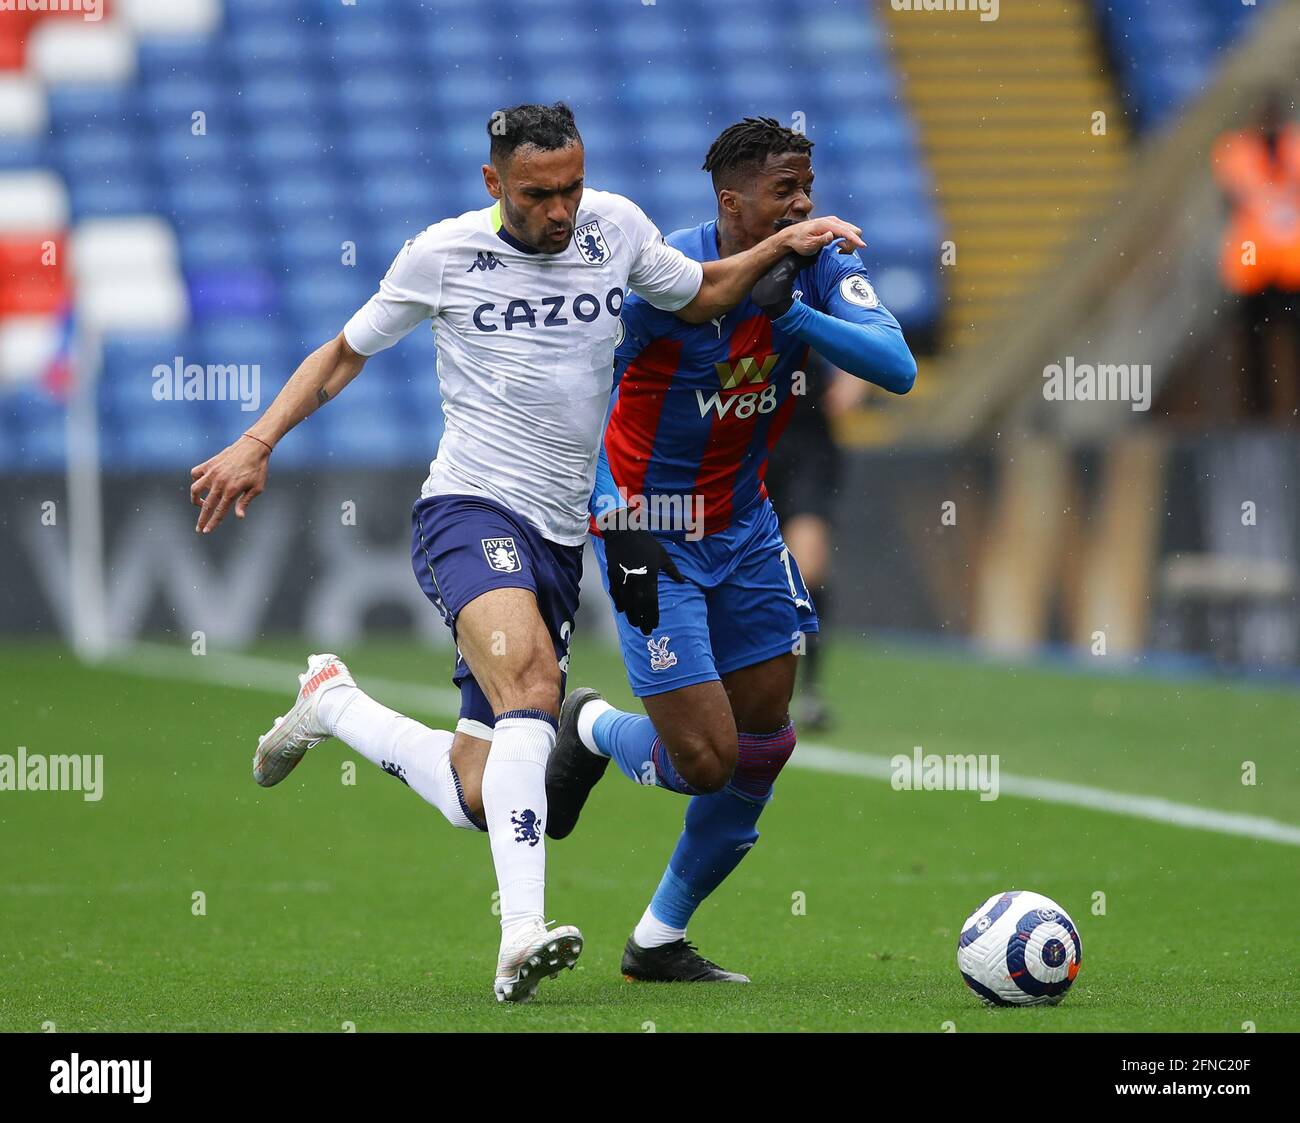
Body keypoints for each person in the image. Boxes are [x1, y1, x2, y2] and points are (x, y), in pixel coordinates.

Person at [188, 103, 864, 1003]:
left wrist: (783, 247)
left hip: (556, 533)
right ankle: (520, 938)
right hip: (469, 508)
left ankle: (332, 702)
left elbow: (702, 291)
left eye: (571, 188)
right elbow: (343, 355)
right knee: (534, 692)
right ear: (493, 184)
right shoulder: (443, 255)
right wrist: (259, 439)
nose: (560, 210)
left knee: (480, 793)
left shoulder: (615, 228)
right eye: (539, 194)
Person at [544, 117, 915, 982]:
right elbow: (578, 409)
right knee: (703, 762)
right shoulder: (660, 278)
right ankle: (592, 727)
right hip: (654, 532)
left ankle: (657, 939)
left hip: (744, 528)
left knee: (763, 745)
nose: (804, 205)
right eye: (785, 191)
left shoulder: (821, 263)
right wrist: (613, 517)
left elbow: (896, 366)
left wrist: (792, 311)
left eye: (808, 188)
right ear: (731, 201)